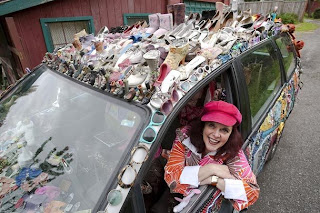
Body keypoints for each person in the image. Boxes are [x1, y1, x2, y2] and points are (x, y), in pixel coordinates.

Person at [164, 101, 260, 212]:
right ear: (203, 126)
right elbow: (171, 178)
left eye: (224, 130)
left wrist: (213, 180)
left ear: (231, 134)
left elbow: (252, 194)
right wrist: (212, 169)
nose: (215, 134)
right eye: (211, 125)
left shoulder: (232, 151)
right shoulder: (184, 136)